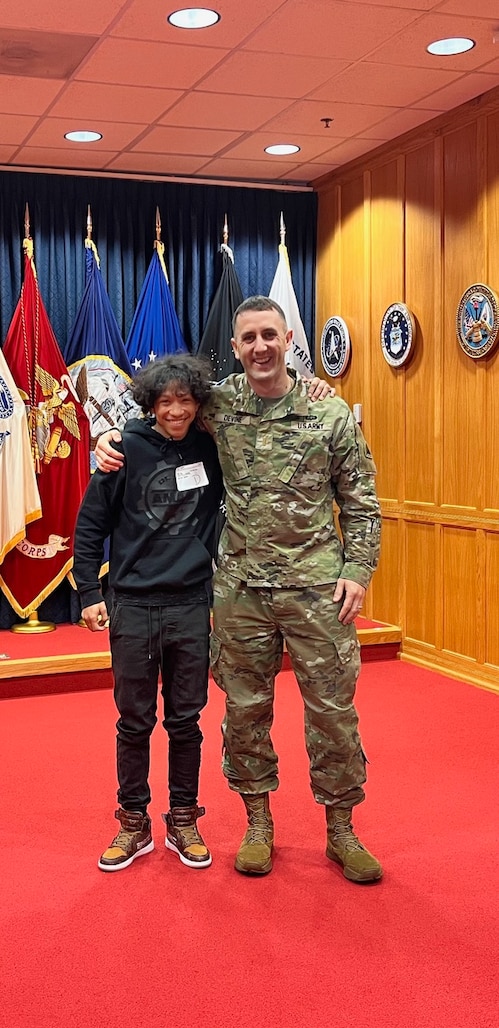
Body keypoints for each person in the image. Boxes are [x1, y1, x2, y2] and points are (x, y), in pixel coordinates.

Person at [95, 299, 382, 883]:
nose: (259, 346)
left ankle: (342, 830)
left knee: (332, 713)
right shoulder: (218, 404)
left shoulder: (330, 417)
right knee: (245, 713)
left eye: (269, 335)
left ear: (287, 339)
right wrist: (108, 440)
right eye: (248, 337)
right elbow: (160, 417)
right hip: (241, 591)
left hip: (317, 591)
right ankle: (258, 825)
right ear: (236, 345)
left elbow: (361, 503)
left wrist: (358, 569)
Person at [74, 355, 223, 872]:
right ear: (151, 403)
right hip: (133, 604)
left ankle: (183, 817)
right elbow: (91, 525)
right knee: (134, 721)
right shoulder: (124, 449)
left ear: (198, 401)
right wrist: (90, 594)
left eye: (185, 399)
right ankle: (133, 822)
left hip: (189, 603)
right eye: (166, 400)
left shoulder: (212, 446)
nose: (176, 409)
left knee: (186, 721)